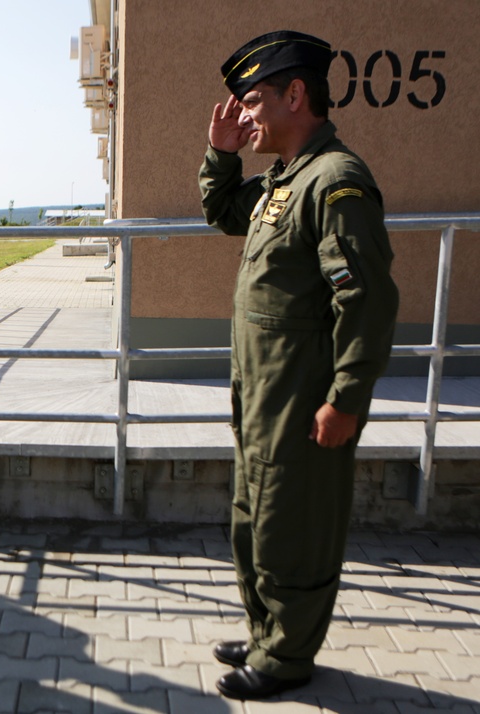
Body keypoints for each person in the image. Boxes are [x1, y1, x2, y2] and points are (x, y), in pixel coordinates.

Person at [200, 31, 399, 700]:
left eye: (254, 101)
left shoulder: (335, 182)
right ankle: (267, 633)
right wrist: (222, 154)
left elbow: (366, 301)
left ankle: (287, 658)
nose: (246, 114)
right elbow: (223, 211)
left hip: (302, 396)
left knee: (293, 525)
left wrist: (346, 398)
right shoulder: (285, 180)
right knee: (254, 520)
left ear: (295, 94)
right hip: (263, 395)